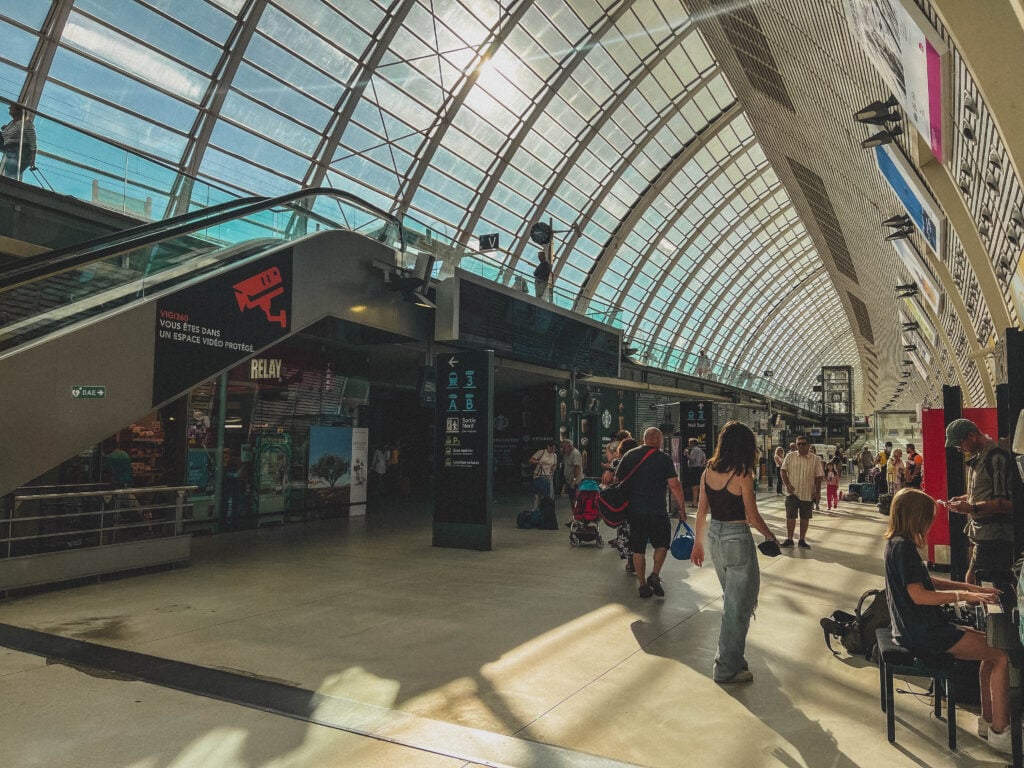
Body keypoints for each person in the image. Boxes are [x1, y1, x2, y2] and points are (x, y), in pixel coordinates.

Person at [883, 487, 1011, 751]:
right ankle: (1001, 732)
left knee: (990, 648)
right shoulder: (904, 548)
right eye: (928, 517)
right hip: (922, 633)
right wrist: (962, 596)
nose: (930, 523)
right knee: (1000, 655)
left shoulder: (896, 543)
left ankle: (989, 721)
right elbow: (919, 595)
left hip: (913, 627)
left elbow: (926, 581)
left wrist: (975, 589)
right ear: (916, 517)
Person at [691, 421, 778, 684]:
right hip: (737, 539)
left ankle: (734, 657)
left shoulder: (708, 471)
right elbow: (752, 516)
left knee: (733, 601)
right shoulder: (742, 474)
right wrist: (770, 536)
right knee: (738, 606)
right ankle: (726, 667)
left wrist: (698, 543)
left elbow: (702, 510)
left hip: (716, 538)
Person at [614, 427, 686, 599]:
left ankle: (642, 585)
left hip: (635, 511)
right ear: (659, 440)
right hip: (658, 510)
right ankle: (654, 574)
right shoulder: (663, 458)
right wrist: (682, 508)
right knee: (662, 544)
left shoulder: (629, 455)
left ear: (643, 439)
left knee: (637, 548)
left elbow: (617, 480)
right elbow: (674, 485)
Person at [944, 418, 1015, 585]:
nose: (960, 449)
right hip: (984, 534)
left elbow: (1003, 503)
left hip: (995, 536)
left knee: (975, 581)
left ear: (972, 436)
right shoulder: (980, 457)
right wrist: (963, 499)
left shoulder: (996, 457)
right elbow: (984, 493)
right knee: (977, 580)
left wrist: (970, 507)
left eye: (960, 444)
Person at [779, 435, 823, 549]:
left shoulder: (815, 459)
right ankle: (789, 539)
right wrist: (787, 485)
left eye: (804, 444)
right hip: (792, 493)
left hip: (807, 493)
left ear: (808, 445)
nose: (801, 446)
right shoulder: (790, 456)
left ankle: (802, 539)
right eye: (799, 444)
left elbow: (819, 477)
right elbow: (783, 471)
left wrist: (817, 493)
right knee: (790, 516)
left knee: (805, 517)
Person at [608, 437, 639, 573]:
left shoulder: (617, 463)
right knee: (639, 531)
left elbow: (611, 480)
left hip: (623, 502)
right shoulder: (641, 461)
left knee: (625, 529)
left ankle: (630, 562)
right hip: (640, 501)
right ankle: (639, 558)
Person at [1, 103, 37, 180]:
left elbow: (33, 142)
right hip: (11, 147)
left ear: (18, 111)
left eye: (12, 107)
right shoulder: (11, 123)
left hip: (22, 150)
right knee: (10, 174)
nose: (9, 108)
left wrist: (32, 160)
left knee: (10, 175)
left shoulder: (26, 124)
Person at [529, 441, 558, 511]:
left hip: (549, 476)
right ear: (548, 446)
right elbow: (531, 460)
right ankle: (535, 510)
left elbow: (555, 464)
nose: (553, 450)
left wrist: (553, 469)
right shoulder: (541, 452)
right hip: (539, 475)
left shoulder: (554, 455)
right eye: (552, 448)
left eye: (554, 449)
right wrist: (538, 462)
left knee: (548, 495)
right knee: (538, 495)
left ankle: (546, 510)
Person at [684, 437, 706, 508]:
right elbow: (704, 458)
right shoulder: (700, 450)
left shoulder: (694, 450)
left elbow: (692, 459)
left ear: (692, 443)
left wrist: (687, 454)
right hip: (699, 468)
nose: (689, 444)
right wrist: (701, 464)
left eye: (690, 443)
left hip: (694, 468)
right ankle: (699, 502)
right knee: (698, 486)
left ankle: (694, 503)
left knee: (694, 486)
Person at [561, 439, 583, 507]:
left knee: (575, 499)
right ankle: (574, 514)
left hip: (575, 482)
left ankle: (577, 515)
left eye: (564, 447)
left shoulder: (575, 454)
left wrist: (573, 480)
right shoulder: (567, 454)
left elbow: (578, 468)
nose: (562, 449)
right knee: (571, 499)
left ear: (569, 446)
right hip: (569, 481)